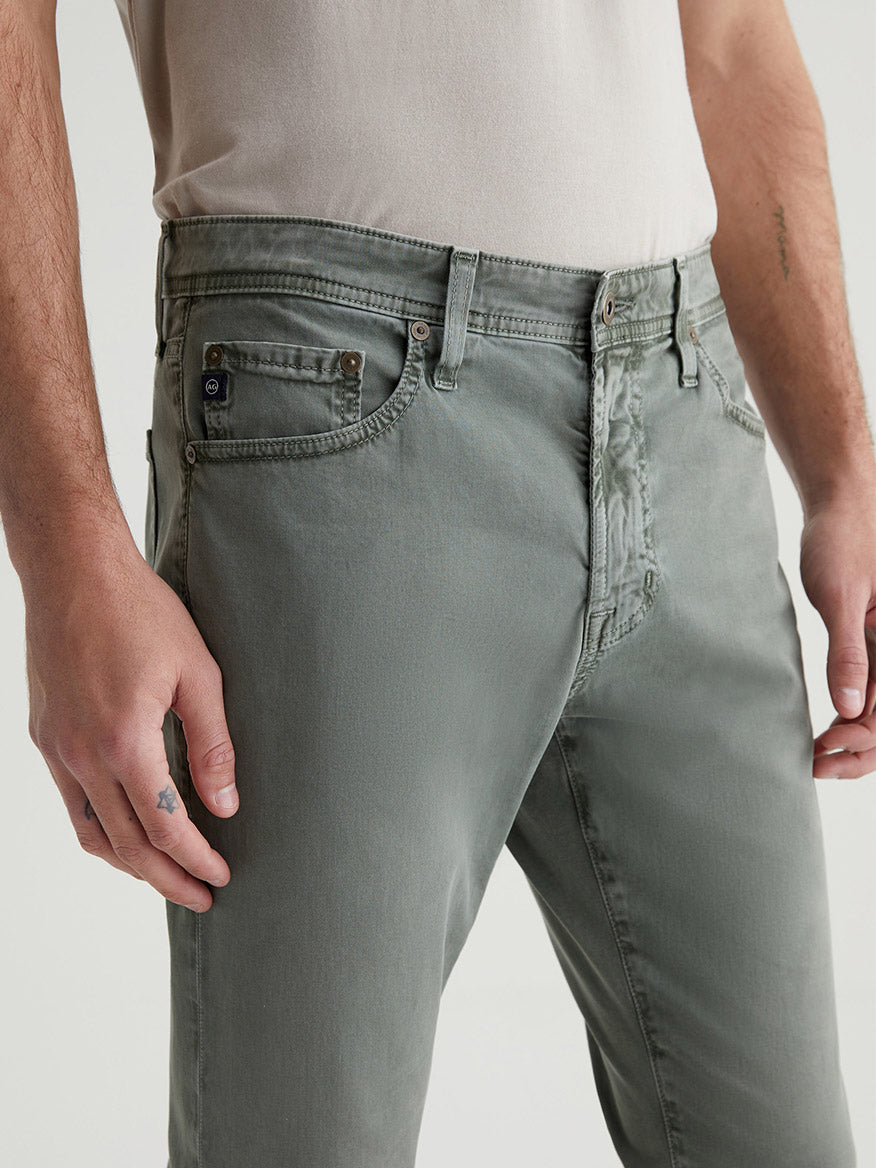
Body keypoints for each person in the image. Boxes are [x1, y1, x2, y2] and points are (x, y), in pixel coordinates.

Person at [0, 1, 870, 1165]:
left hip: (684, 400)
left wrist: (844, 470)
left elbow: (727, 34)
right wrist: (63, 543)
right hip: (335, 400)